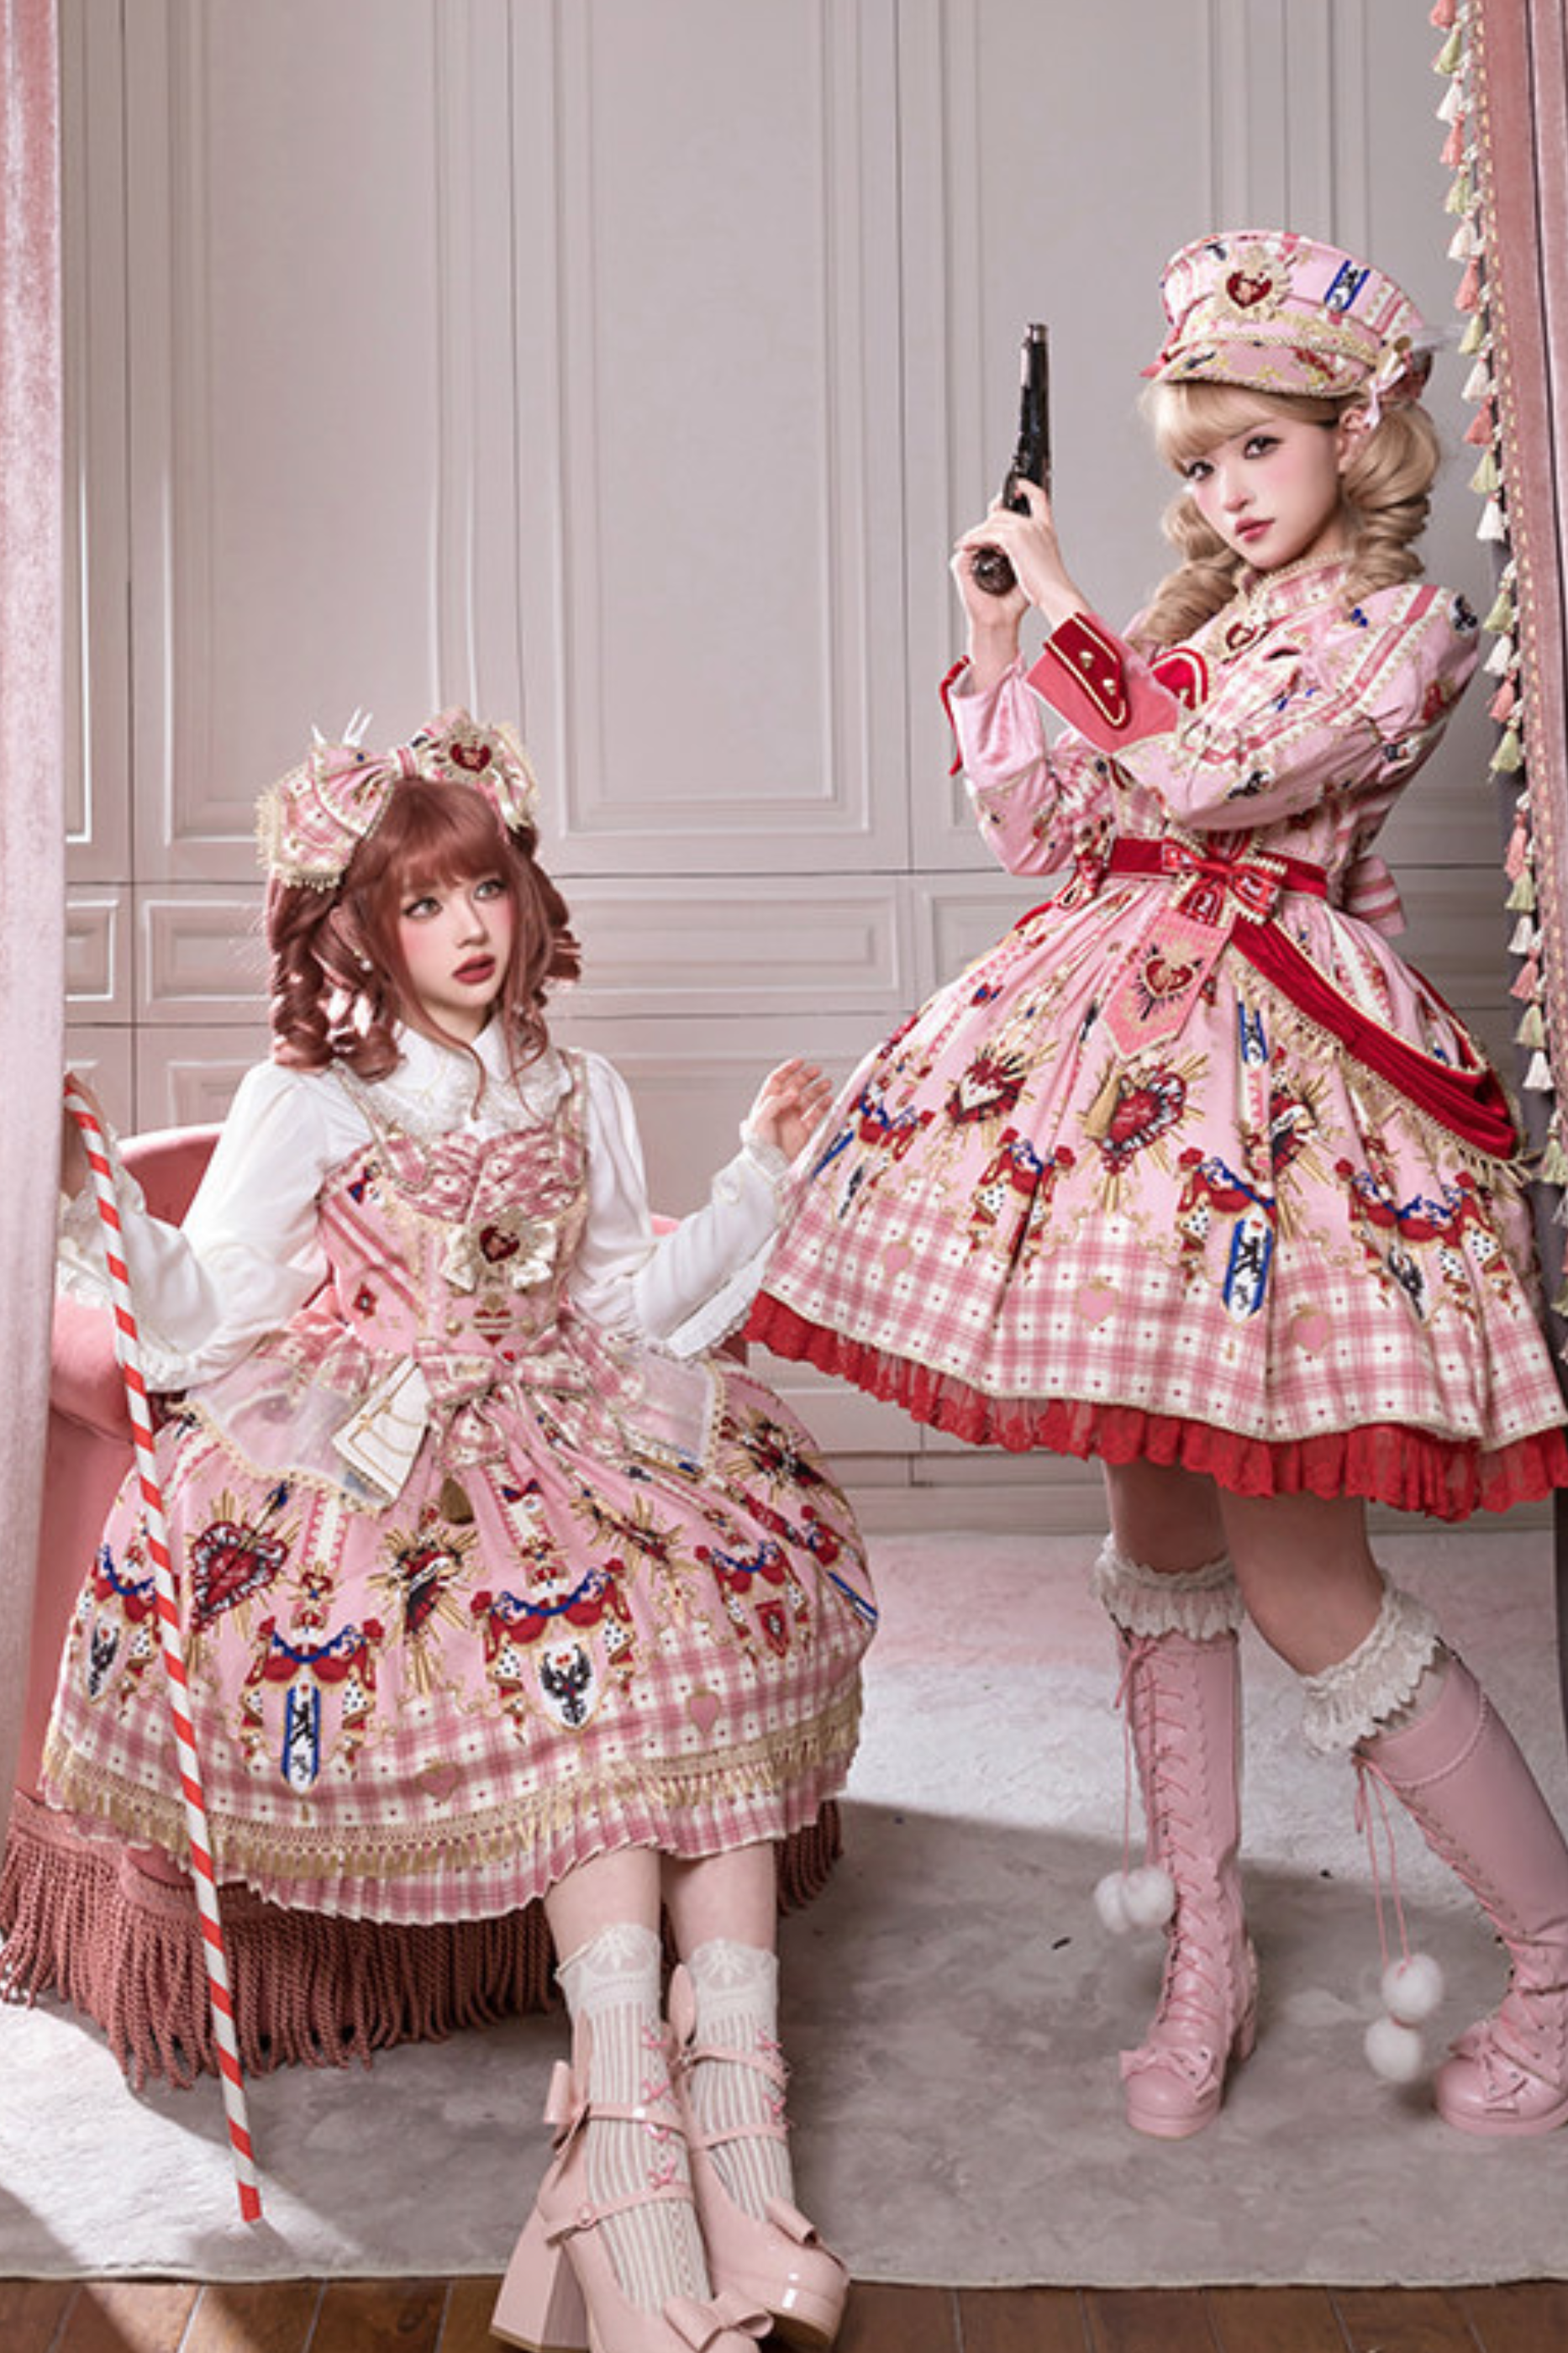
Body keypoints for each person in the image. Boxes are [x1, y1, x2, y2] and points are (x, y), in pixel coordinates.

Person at [750, 229, 1568, 2142]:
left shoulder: (1400, 629)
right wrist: (999, 652)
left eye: (1256, 447)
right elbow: (1052, 823)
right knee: (1160, 1541)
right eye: (1198, 462)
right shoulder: (1193, 627)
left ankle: (1558, 1956)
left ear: (1354, 437)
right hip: (1117, 1101)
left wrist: (1071, 612)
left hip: (1279, 1109)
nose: (1225, 491)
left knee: (1309, 1584)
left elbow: (1204, 777)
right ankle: (1210, 1950)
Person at [50, 708, 875, 2352]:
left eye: (485, 887)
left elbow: (631, 1301)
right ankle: (622, 2162)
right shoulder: (313, 1097)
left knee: (698, 1627)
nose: (468, 928)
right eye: (421, 902)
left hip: (581, 1408)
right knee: (583, 1649)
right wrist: (108, 1210)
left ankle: (736, 2139)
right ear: (362, 925)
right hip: (392, 1442)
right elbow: (213, 1308)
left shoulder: (582, 1082)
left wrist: (757, 1180)